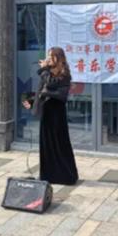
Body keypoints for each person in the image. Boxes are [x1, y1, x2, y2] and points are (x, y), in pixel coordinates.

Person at [22, 47, 78, 185]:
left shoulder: (64, 74)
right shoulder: (47, 73)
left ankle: (65, 175)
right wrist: (32, 101)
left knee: (59, 144)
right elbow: (42, 90)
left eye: (51, 56)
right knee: (46, 144)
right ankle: (49, 175)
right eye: (48, 56)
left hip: (57, 112)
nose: (48, 59)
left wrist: (44, 70)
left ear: (58, 58)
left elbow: (52, 85)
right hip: (47, 111)